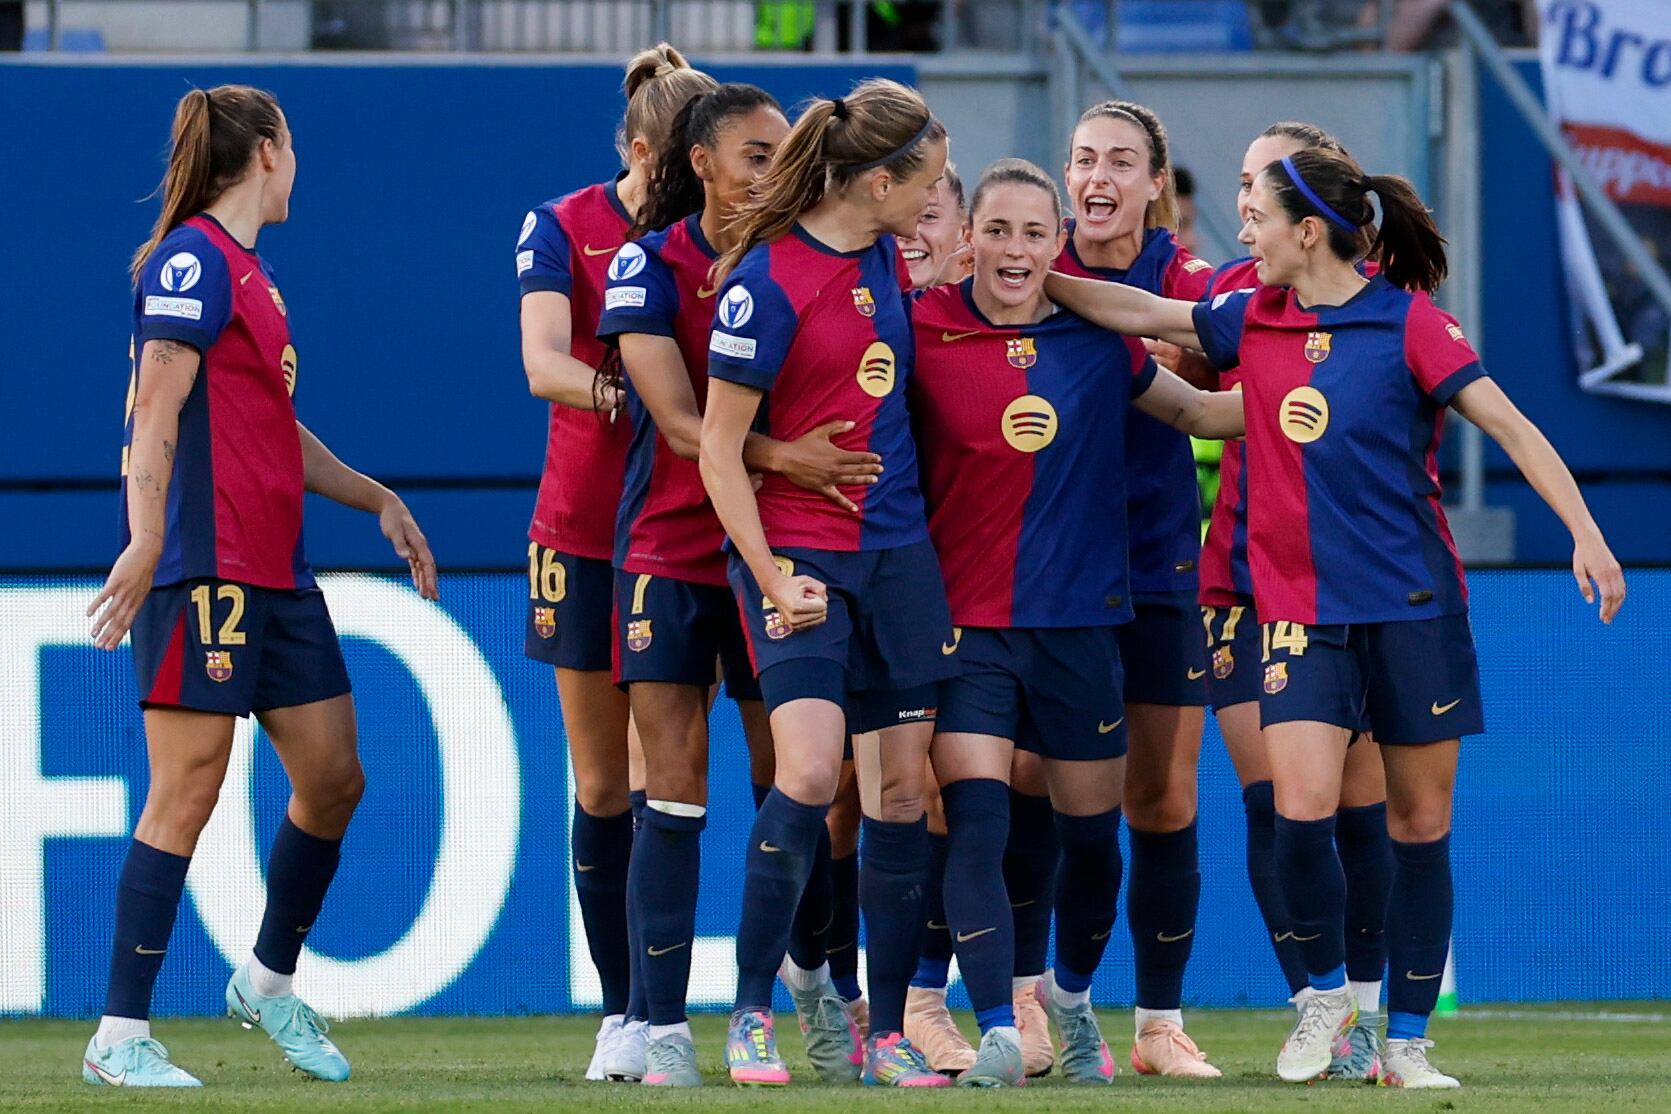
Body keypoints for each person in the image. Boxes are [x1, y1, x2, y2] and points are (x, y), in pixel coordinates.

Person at [1045, 146, 1625, 1089]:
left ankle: (1403, 1044)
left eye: (1258, 217)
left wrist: (1585, 533)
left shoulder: (1410, 325)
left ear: (1305, 232)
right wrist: (1037, 281)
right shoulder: (1253, 320)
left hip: (1411, 611)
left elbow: (1512, 428)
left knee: (1418, 823)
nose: (1243, 232)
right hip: (1300, 619)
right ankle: (1324, 998)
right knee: (1297, 812)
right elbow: (1143, 315)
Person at [82, 84, 438, 1089]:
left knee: (334, 777)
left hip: (276, 568)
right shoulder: (193, 257)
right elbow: (156, 406)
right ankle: (118, 1033)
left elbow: (270, 428)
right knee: (185, 789)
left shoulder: (251, 276)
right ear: (270, 150)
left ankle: (269, 979)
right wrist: (149, 537)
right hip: (206, 563)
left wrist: (375, 498)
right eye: (296, 147)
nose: (300, 165)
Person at [913, 158, 1245, 1087]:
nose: (1014, 250)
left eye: (1033, 233)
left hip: (1080, 629)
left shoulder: (1099, 340)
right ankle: (995, 1030)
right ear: (969, 236)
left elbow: (1205, 414)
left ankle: (1065, 995)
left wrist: (1338, 374)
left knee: (1090, 841)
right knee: (975, 822)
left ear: (1056, 244)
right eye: (999, 230)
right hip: (966, 632)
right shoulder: (919, 328)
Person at [596, 82, 889, 1087]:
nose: (774, 165)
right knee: (670, 790)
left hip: (776, 548)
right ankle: (659, 1022)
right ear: (704, 162)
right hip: (675, 553)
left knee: (802, 782)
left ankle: (813, 978)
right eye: (756, 153)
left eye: (783, 151)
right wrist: (790, 459)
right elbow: (682, 426)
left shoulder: (807, 263)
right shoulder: (649, 262)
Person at [699, 78, 956, 1088]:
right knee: (808, 773)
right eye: (925, 184)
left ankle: (884, 1031)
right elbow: (720, 452)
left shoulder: (888, 256)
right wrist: (770, 576)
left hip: (898, 557)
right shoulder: (765, 283)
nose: (934, 202)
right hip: (798, 555)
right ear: (879, 179)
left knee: (901, 788)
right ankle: (752, 1011)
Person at [516, 43, 715, 1083]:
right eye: (684, 163)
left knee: (668, 778)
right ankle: (620, 1012)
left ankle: (677, 1004)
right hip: (584, 530)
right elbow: (542, 359)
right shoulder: (565, 224)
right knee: (602, 783)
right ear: (644, 150)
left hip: (694, 532)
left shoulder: (724, 237)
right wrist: (632, 390)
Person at [1202, 120, 1395, 1082]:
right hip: (1236, 583)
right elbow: (1194, 391)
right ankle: (1313, 1002)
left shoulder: (1381, 304)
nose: (1244, 202)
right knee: (1277, 802)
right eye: (1237, 181)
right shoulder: (1231, 293)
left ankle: (1369, 1015)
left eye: (1259, 186)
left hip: (1347, 589)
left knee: (1363, 810)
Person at [1051, 98, 1220, 1078]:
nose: (1099, 178)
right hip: (1044, 574)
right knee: (1035, 787)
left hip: (1158, 568)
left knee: (1160, 795)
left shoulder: (1189, 282)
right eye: (1083, 160)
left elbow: (1242, 349)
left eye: (1120, 160)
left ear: (1156, 182)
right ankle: (1032, 1005)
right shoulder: (1033, 272)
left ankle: (1158, 1024)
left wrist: (1198, 354)